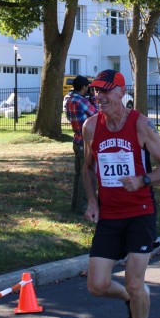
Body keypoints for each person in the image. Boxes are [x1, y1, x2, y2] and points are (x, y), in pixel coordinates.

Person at [82, 69, 160, 318]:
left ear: (122, 92)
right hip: (110, 215)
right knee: (97, 285)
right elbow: (88, 167)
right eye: (96, 91)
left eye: (105, 91)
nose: (99, 96)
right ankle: (131, 297)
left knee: (135, 282)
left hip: (140, 213)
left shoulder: (140, 124)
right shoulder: (91, 126)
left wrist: (143, 180)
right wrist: (92, 201)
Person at [64, 75, 97, 215]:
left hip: (76, 140)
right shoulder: (82, 101)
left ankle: (75, 206)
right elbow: (96, 114)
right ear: (84, 87)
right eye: (87, 87)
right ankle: (83, 207)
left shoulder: (68, 99)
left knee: (78, 175)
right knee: (87, 175)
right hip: (86, 142)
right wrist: (93, 99)